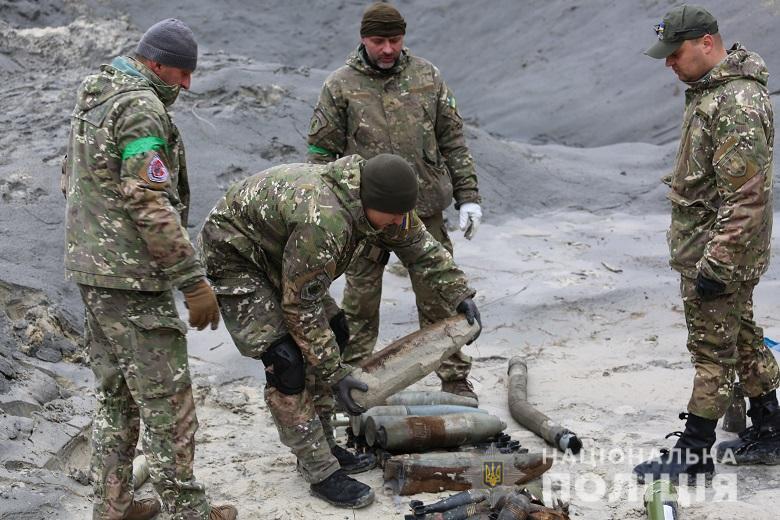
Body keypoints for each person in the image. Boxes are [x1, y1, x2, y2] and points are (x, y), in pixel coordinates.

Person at [197, 153, 481, 508]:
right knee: (285, 360)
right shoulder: (326, 222)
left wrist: (459, 294)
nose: (397, 222)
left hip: (281, 248)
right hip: (235, 255)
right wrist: (336, 374)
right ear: (370, 202)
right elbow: (300, 308)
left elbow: (421, 249)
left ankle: (324, 442)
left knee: (336, 329)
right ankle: (319, 470)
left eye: (400, 216)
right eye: (392, 216)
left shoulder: (386, 205)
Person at [62, 19, 237, 520]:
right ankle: (188, 511)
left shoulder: (96, 93)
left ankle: (113, 507)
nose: (185, 85)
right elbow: (149, 202)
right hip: (131, 279)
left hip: (92, 269)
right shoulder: (140, 107)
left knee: (117, 395)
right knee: (169, 402)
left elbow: (71, 177)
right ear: (156, 63)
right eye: (181, 74)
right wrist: (193, 280)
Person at [633, 5, 779, 484]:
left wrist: (715, 262)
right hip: (719, 248)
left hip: (721, 253)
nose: (669, 64)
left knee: (711, 350)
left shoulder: (734, 103)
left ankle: (694, 451)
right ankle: (772, 427)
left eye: (675, 53)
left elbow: (746, 194)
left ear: (707, 44)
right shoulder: (711, 93)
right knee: (740, 337)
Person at [307, 2, 482, 399]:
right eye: (378, 40)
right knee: (359, 305)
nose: (387, 48)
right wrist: (329, 212)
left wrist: (468, 196)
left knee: (438, 295)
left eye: (395, 40)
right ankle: (352, 382)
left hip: (424, 210)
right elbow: (320, 154)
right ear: (363, 39)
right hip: (363, 217)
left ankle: (454, 377)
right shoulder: (340, 85)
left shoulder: (427, 76)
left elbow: (453, 139)